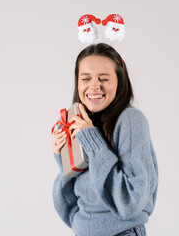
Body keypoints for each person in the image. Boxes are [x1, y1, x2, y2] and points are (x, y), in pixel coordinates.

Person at [52, 43, 158, 236]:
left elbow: (131, 202)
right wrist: (66, 163)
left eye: (104, 79)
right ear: (77, 83)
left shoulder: (130, 120)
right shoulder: (80, 123)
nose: (94, 86)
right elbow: (65, 202)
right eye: (85, 78)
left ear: (119, 82)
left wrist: (92, 140)